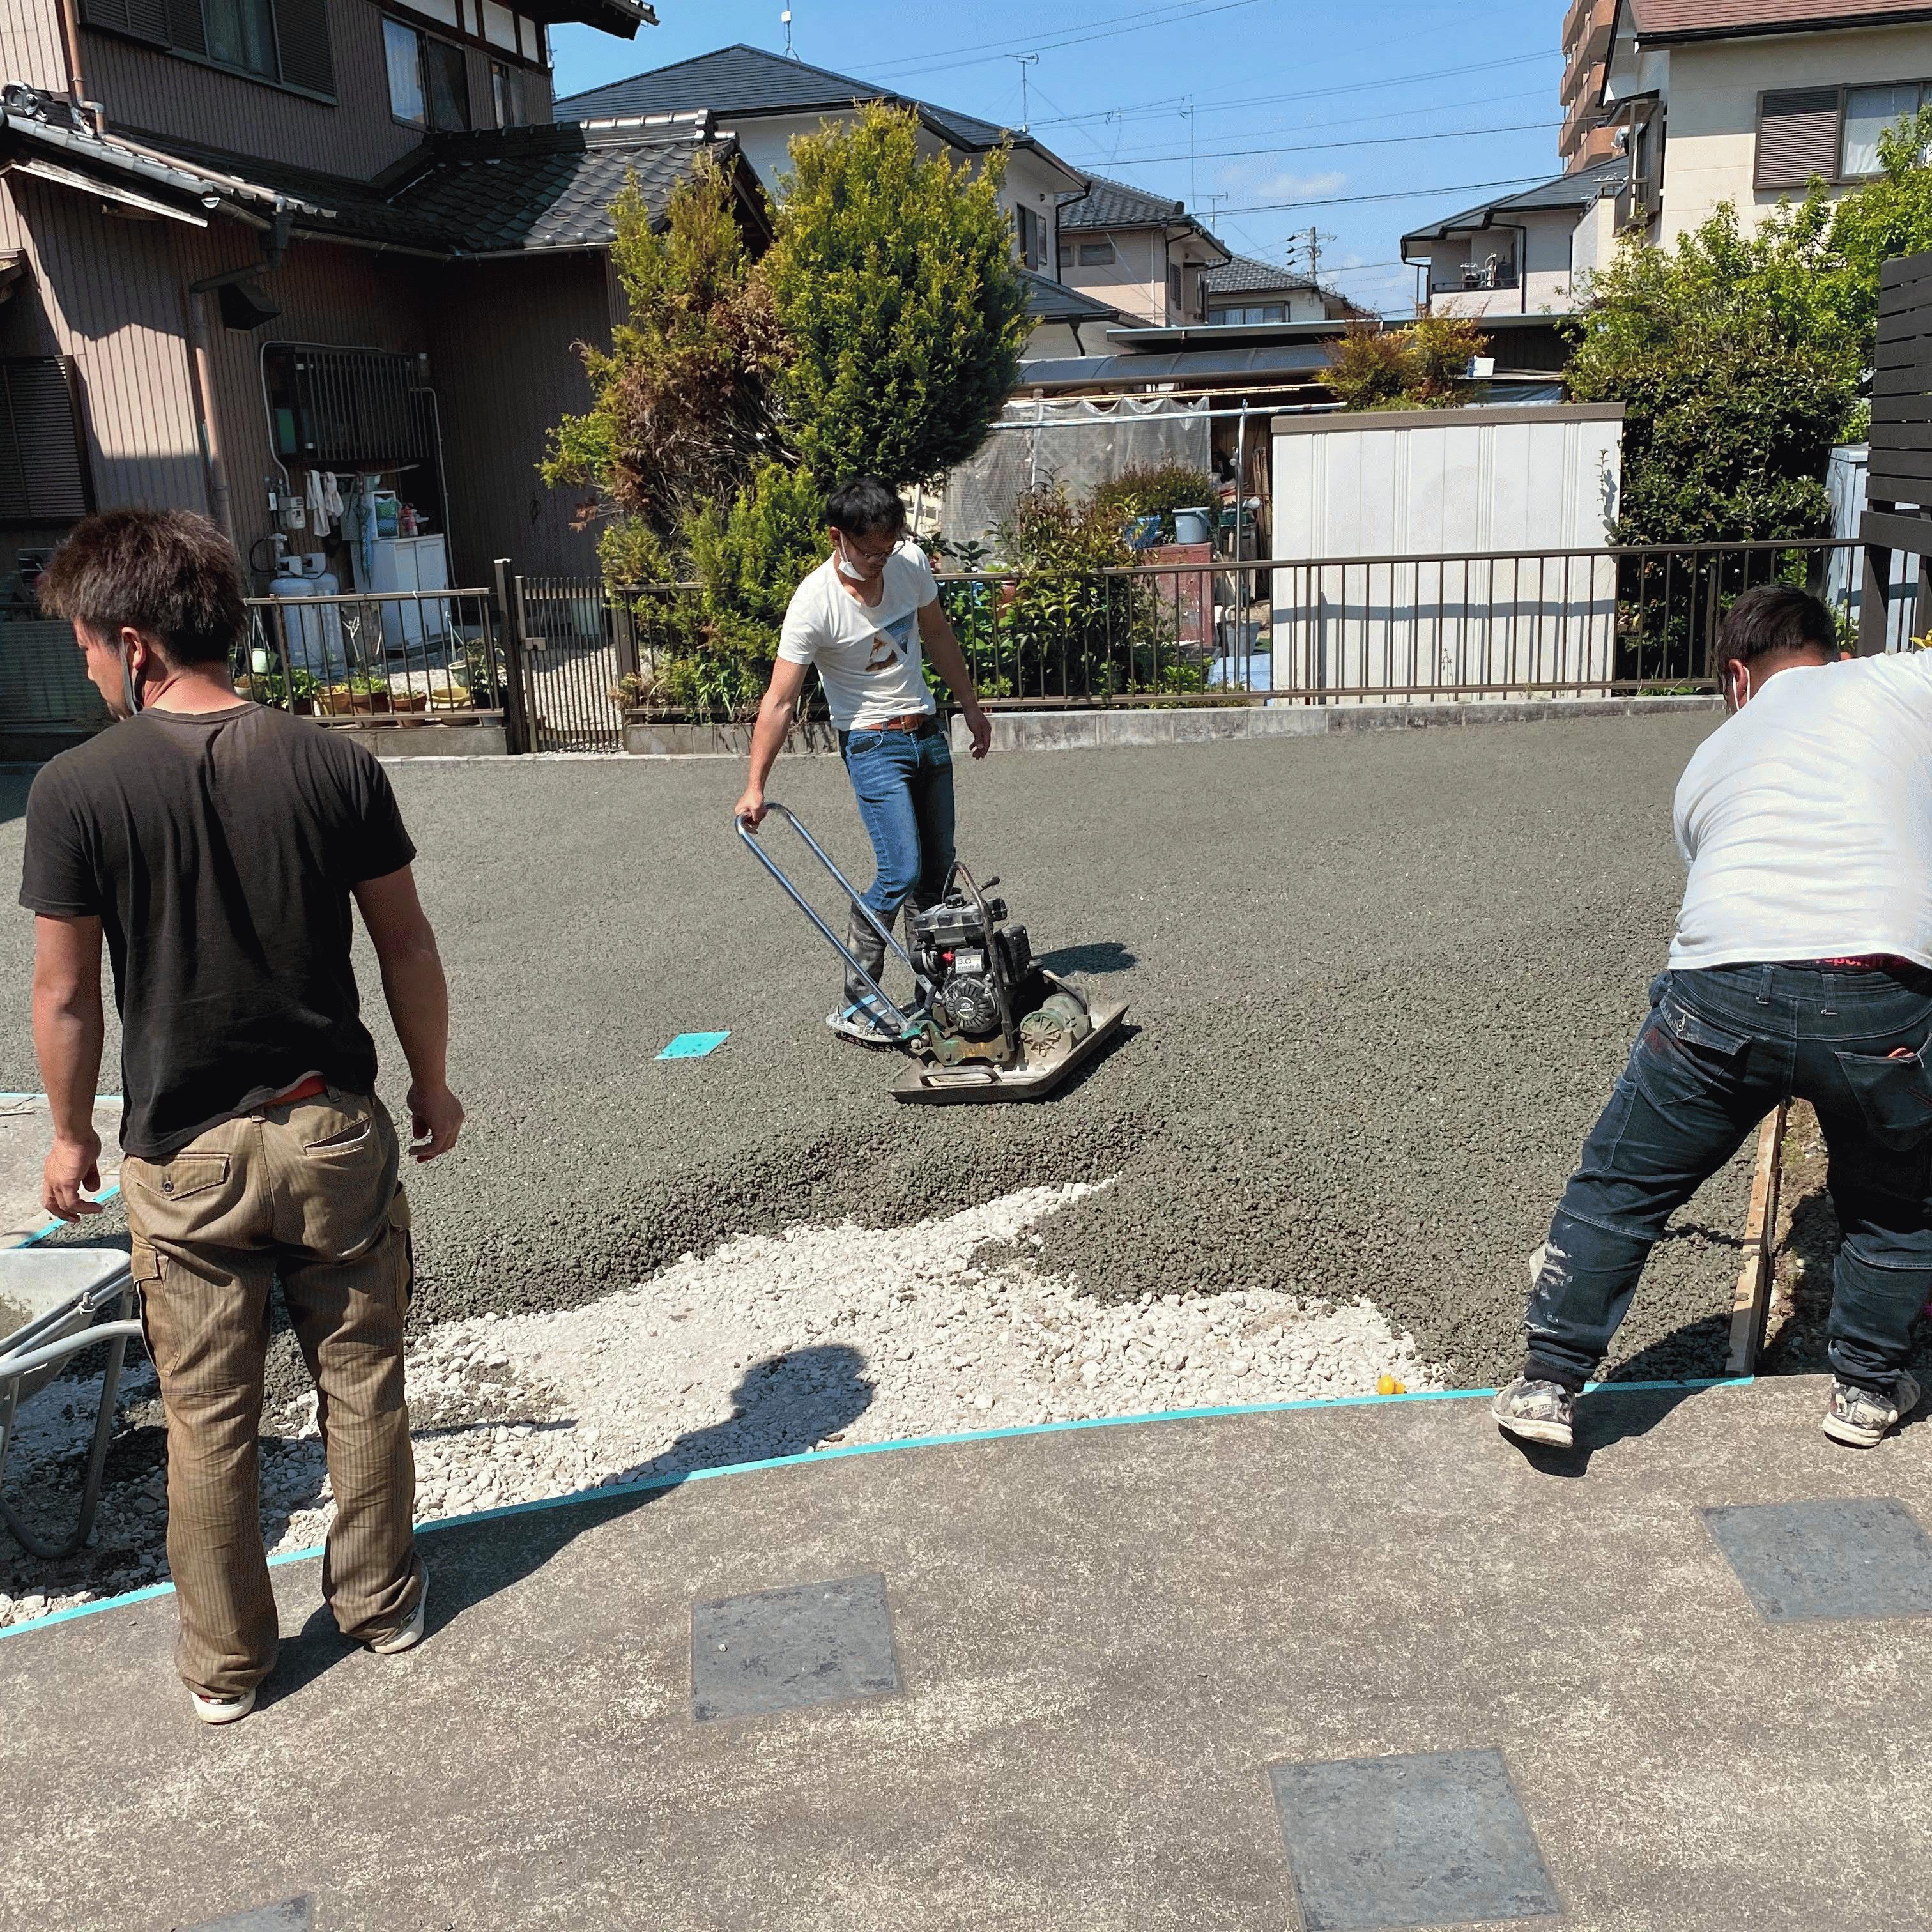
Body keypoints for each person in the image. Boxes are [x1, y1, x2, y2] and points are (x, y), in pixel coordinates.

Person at [21, 509, 463, 1725]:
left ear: (133, 641)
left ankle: (229, 1665)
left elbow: (65, 992)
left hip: (186, 1154)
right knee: (362, 1376)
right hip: (331, 1129)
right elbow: (406, 942)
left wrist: (67, 1133)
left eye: (89, 651)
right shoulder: (330, 762)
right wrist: (430, 1081)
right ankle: (381, 1605)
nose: (92, 672)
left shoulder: (76, 791)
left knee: (209, 1418)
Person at [1494, 584, 1929, 1453]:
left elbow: (1714, 892)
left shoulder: (1710, 761)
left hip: (1722, 988)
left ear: (1737, 678)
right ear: (1833, 656)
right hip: (1880, 992)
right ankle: (1867, 1393)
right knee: (1899, 1208)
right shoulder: (1897, 684)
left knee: (1622, 1186)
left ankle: (1548, 1380)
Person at [734, 477, 992, 1041]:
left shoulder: (910, 563)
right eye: (869, 549)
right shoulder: (814, 603)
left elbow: (940, 634)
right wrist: (755, 785)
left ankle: (942, 988)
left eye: (889, 546)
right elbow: (779, 702)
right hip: (873, 744)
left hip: (926, 732)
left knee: (938, 872)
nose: (880, 560)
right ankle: (858, 1002)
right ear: (838, 537)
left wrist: (970, 707)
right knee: (899, 869)